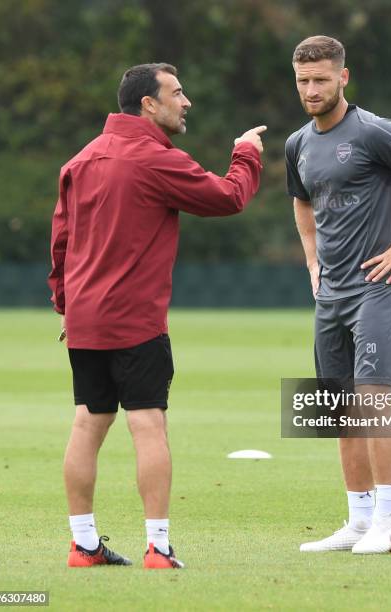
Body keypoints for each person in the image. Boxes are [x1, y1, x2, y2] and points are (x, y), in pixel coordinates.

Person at [48, 62, 266, 569]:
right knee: (148, 425)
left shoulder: (80, 160)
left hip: (85, 321)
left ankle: (83, 545)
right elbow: (228, 197)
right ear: (149, 103)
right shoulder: (153, 158)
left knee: (87, 423)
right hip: (137, 323)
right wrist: (246, 155)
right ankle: (159, 547)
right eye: (177, 92)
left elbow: (60, 241)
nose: (185, 101)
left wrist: (66, 304)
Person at [285, 36, 391, 554]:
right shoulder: (297, 144)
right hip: (330, 295)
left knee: (372, 400)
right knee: (338, 408)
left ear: (343, 77)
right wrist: (312, 262)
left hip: (377, 288)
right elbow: (302, 203)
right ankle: (357, 523)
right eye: (303, 81)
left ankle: (388, 523)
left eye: (320, 79)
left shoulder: (375, 131)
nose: (311, 90)